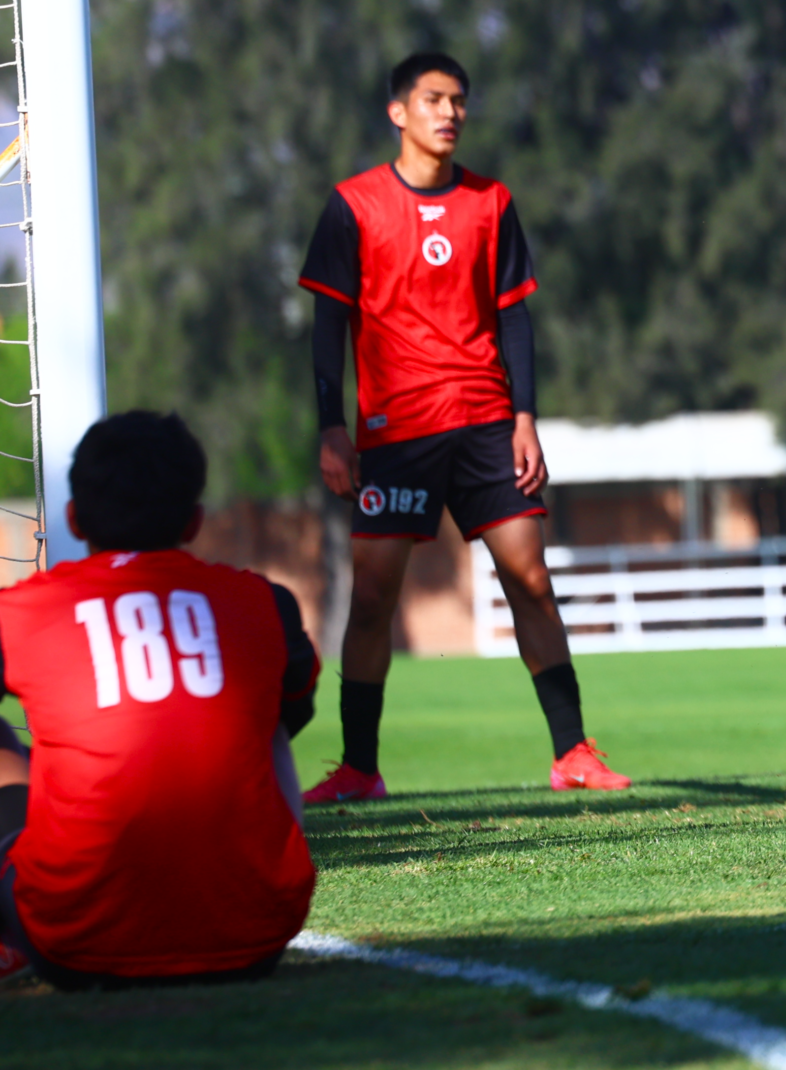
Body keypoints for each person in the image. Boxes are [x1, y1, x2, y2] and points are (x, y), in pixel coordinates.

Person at [296, 51, 628, 801]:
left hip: (485, 423)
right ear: (398, 112)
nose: (449, 113)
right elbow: (327, 326)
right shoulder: (353, 205)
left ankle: (573, 750)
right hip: (396, 432)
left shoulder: (492, 202)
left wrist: (525, 416)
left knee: (531, 578)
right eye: (434, 99)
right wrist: (331, 426)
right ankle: (359, 767)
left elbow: (515, 316)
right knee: (375, 595)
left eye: (458, 101)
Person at [0, 413, 319, 989]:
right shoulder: (265, 604)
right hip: (256, 938)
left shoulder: (20, 612)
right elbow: (293, 713)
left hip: (74, 943)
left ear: (73, 518)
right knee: (263, 716)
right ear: (195, 522)